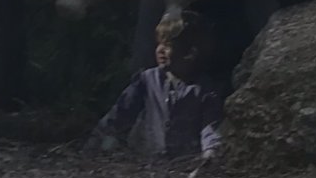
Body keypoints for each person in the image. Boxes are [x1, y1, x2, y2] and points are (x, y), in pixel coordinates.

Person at [88, 10, 222, 161]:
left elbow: (210, 127)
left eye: (168, 45)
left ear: (190, 53)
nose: (160, 50)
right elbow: (120, 113)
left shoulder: (203, 89)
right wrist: (97, 141)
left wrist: (210, 151)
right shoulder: (146, 80)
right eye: (159, 43)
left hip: (183, 163)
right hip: (145, 161)